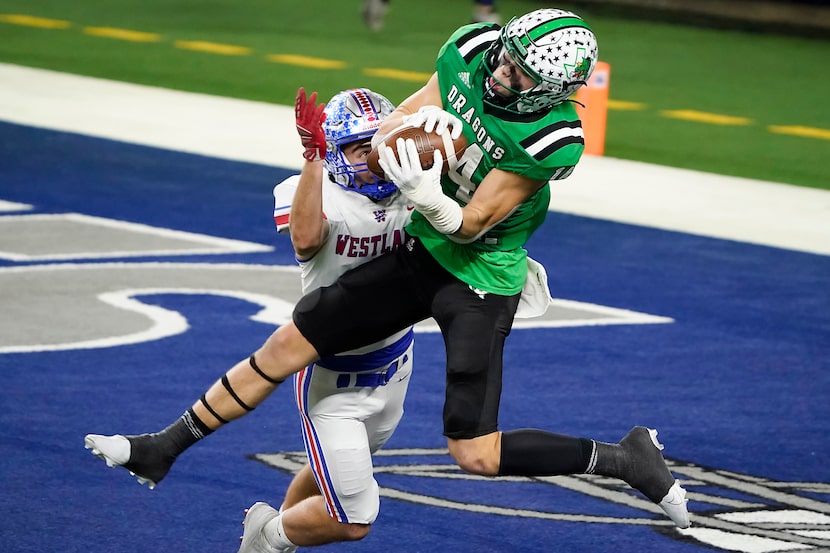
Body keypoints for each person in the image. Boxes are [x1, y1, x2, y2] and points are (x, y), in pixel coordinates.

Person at [86, 7, 691, 543]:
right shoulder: (473, 51)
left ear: (554, 92)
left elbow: (474, 223)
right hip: (425, 246)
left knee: (474, 453)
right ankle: (162, 447)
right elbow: (401, 119)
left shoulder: (553, 138)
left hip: (478, 273)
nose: (502, 72)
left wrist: (428, 192)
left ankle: (622, 458)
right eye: (505, 56)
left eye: (521, 73)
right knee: (294, 336)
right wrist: (399, 146)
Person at [91, 87, 416, 552]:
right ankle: (267, 532)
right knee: (353, 515)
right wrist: (312, 160)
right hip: (333, 371)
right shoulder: (311, 187)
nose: (373, 158)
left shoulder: (414, 183)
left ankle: (267, 543)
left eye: (378, 144)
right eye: (358, 149)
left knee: (337, 469)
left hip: (397, 363)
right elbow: (305, 240)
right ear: (335, 153)